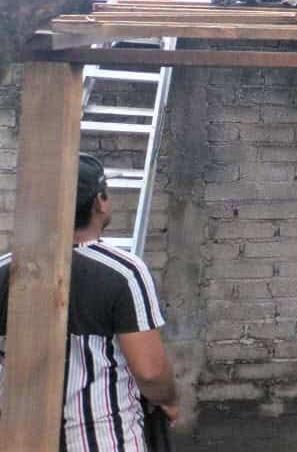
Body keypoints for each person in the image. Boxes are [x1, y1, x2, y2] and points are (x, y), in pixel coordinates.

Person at [0, 154, 179, 451]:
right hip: (103, 438)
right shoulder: (123, 272)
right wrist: (169, 400)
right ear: (100, 202)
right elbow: (150, 371)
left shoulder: (7, 269)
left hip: (18, 437)